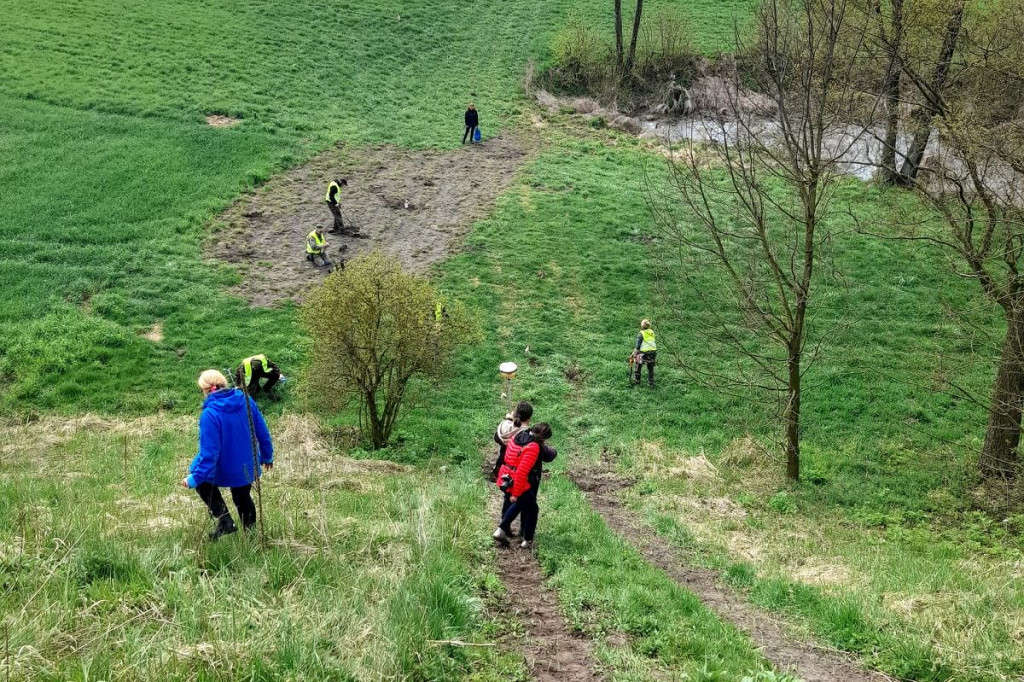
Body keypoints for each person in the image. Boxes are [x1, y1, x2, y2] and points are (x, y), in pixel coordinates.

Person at [181, 370, 274, 540]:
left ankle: (225, 521)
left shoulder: (209, 414)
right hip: (246, 464)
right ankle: (251, 534)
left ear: (205, 390)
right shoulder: (246, 400)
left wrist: (195, 478)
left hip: (223, 465)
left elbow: (210, 454)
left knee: (201, 480)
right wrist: (267, 456)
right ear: (224, 384)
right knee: (242, 496)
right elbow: (262, 430)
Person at [493, 423, 555, 549]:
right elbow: (522, 471)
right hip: (518, 480)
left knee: (519, 504)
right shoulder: (533, 447)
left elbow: (508, 456)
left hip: (506, 475)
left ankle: (502, 530)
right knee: (532, 509)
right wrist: (516, 493)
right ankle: (526, 540)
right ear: (543, 438)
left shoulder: (519, 435)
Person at [633, 319, 657, 388]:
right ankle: (651, 383)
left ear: (642, 326)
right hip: (653, 352)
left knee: (638, 365)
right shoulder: (652, 332)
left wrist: (633, 354)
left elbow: (637, 347)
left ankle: (637, 380)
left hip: (643, 353)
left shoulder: (641, 334)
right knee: (650, 367)